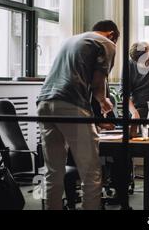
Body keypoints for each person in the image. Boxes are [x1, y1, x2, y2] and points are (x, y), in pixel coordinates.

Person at [37, 20, 119, 210]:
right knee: (90, 171)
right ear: (113, 34)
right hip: (71, 105)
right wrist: (103, 101)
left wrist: (102, 99)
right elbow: (98, 82)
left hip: (44, 102)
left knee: (53, 171)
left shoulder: (72, 40)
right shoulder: (107, 43)